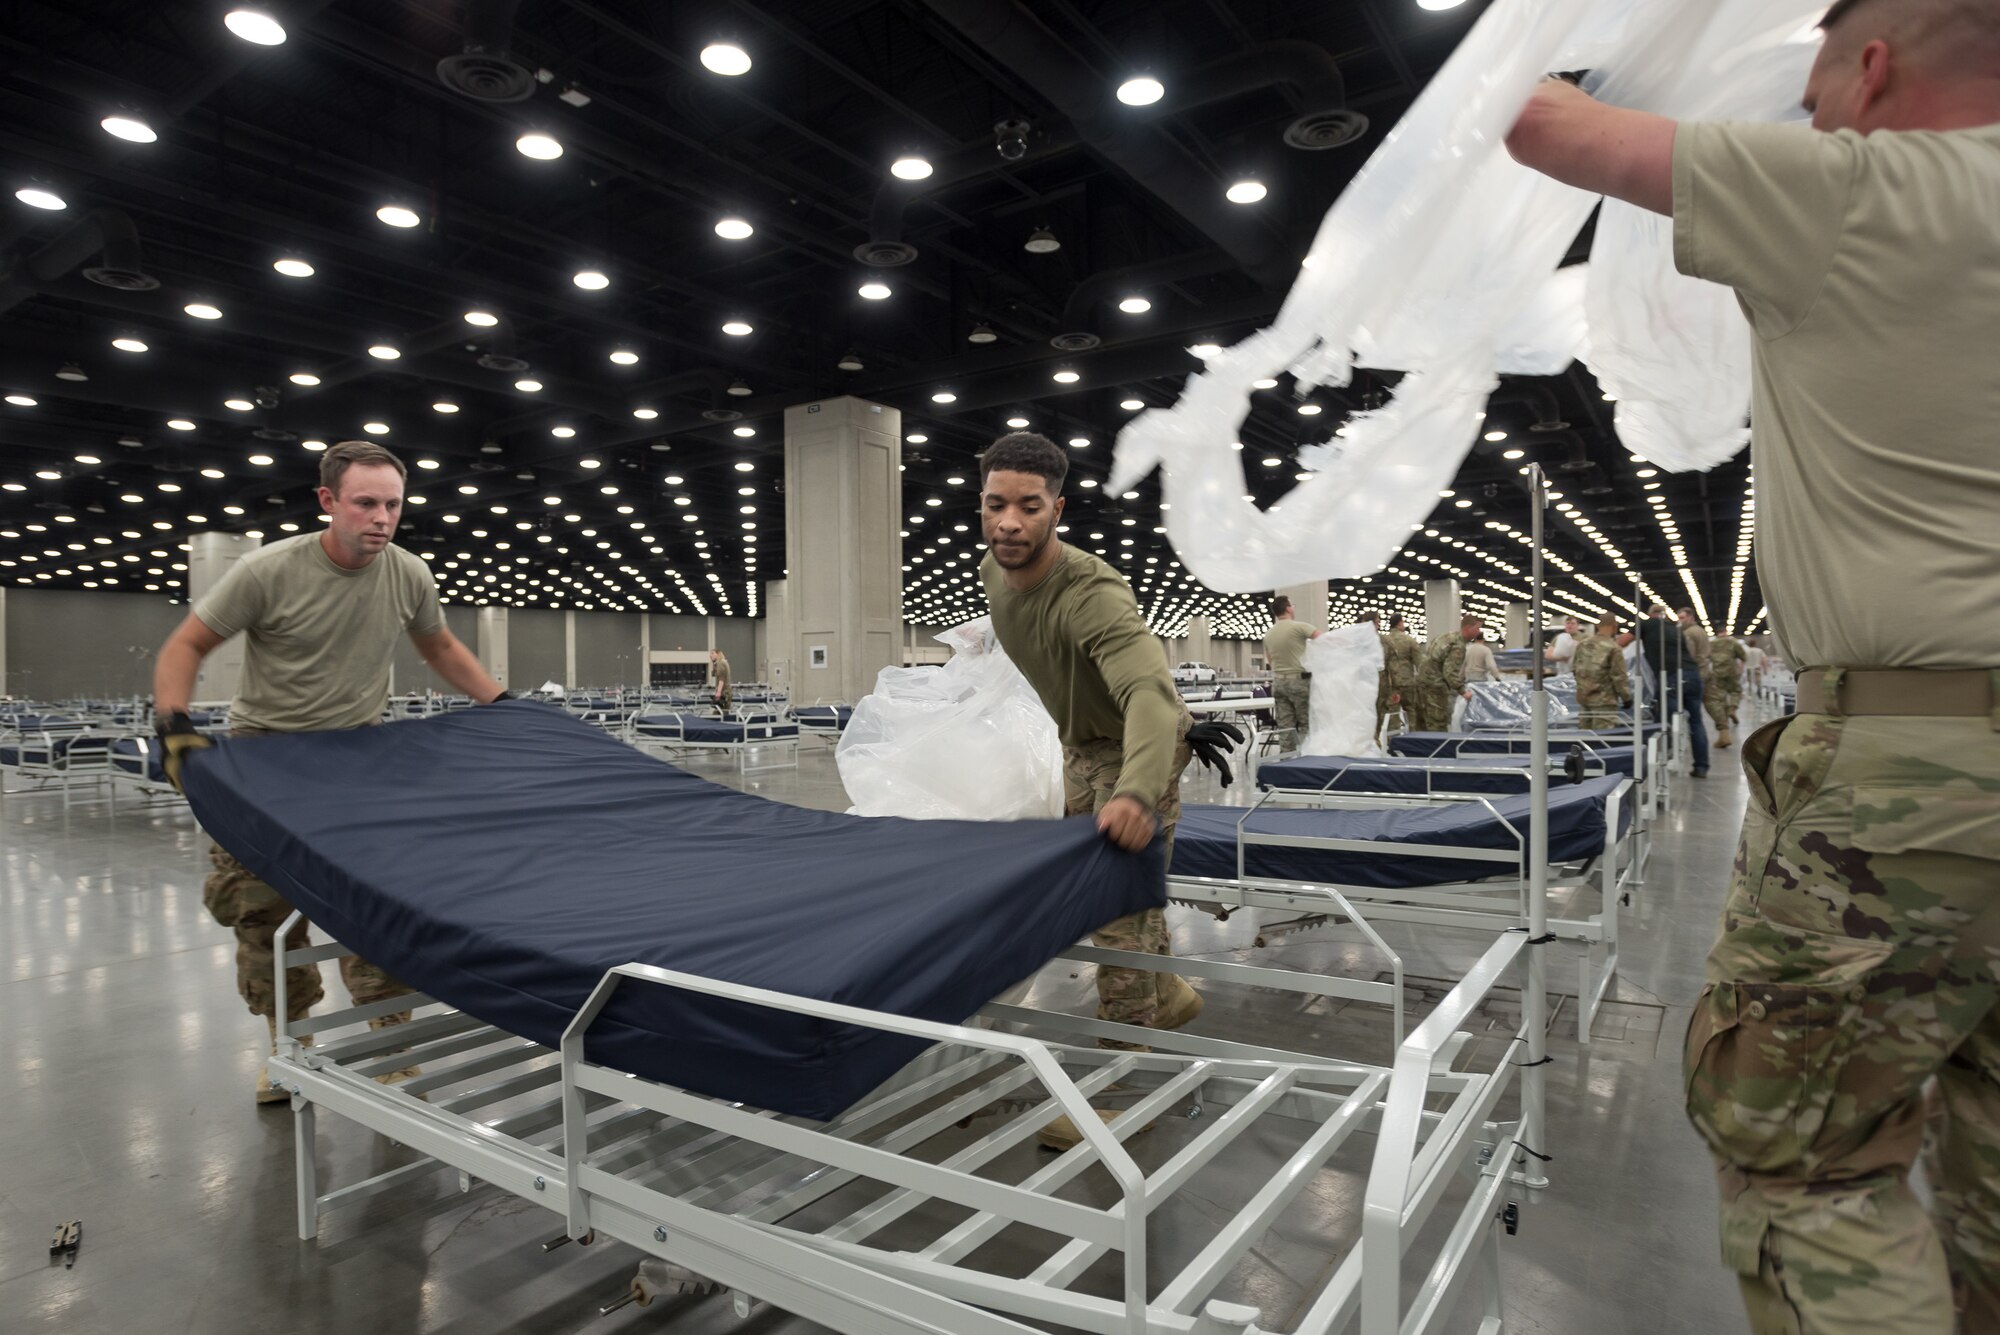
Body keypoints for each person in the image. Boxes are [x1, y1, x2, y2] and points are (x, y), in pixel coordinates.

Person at [1509, 4, 2000, 1328]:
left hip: (1920, 771)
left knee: (1806, 1158)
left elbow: (1538, 118)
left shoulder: (1860, 187)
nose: (1809, 107)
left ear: (1874, 64)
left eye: (1817, 78)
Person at [152, 441, 508, 1103]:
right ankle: (289, 1047)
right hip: (265, 764)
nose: (381, 517)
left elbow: (440, 646)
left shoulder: (408, 573)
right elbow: (188, 643)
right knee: (261, 917)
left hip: (357, 765)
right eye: (365, 502)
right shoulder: (268, 571)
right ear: (328, 502)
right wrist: (173, 726)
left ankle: (391, 1048)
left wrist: (503, 704)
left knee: (379, 909)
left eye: (392, 504)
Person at [977, 432, 1241, 1149]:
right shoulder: (993, 571)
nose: (1009, 522)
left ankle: (1116, 1087)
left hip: (1134, 748)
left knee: (1114, 915)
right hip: (1078, 747)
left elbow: (1151, 698)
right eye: (995, 504)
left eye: (1029, 507)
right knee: (1125, 898)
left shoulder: (1092, 594)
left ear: (1056, 509)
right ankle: (1172, 996)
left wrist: (1135, 792)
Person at [1264, 594, 1320, 752]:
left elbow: (1270, 660)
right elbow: (1322, 639)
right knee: (1307, 724)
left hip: (1279, 684)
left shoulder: (1269, 634)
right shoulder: (1299, 627)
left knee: (1285, 727)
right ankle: (1308, 759)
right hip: (1299, 682)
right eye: (1292, 605)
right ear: (1288, 608)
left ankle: (1285, 760)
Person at [1415, 615, 1480, 732]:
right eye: (1477, 628)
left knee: (1422, 724)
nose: (1478, 632)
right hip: (1435, 687)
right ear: (1468, 628)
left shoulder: (1446, 637)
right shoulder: (1458, 646)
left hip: (1422, 682)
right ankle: (1437, 749)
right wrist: (1463, 691)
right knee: (1437, 724)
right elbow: (1449, 673)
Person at [1679, 607, 1730, 748]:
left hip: (1694, 673)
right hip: (1706, 670)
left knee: (1690, 708)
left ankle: (1688, 740)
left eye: (1682, 618)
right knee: (1713, 702)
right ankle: (1724, 732)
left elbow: (1690, 655)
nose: (1680, 621)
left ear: (1690, 617)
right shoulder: (1701, 631)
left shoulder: (1688, 633)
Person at [1570, 616, 1631, 731]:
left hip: (1584, 698)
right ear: (1615, 626)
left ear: (1597, 626)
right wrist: (1626, 697)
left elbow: (1574, 669)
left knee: (1584, 737)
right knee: (1602, 739)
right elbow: (1618, 676)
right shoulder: (1613, 648)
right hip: (1604, 701)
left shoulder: (1582, 644)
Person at [1381, 614, 1423, 732]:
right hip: (1408, 682)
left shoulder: (1385, 641)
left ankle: (1392, 742)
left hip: (1391, 684)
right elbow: (1419, 662)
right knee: (1410, 710)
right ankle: (1412, 739)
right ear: (1400, 623)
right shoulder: (1409, 640)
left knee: (1392, 713)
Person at [1710, 633, 1747, 731]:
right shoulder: (1733, 642)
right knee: (1736, 691)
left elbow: (1707, 657)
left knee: (1721, 694)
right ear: (1726, 632)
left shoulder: (1712, 643)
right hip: (1732, 672)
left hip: (1717, 672)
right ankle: (1732, 709)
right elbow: (1743, 656)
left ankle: (1724, 717)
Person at [709, 647, 732, 714]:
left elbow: (721, 679)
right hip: (726, 691)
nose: (710, 655)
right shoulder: (720, 662)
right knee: (723, 713)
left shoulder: (721, 663)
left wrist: (718, 693)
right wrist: (714, 664)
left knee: (718, 714)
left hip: (724, 692)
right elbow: (713, 674)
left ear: (718, 654)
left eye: (712, 653)